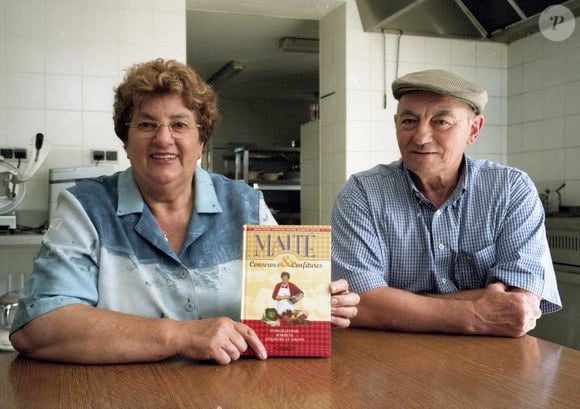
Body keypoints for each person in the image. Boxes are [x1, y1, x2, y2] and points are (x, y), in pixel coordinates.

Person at [9, 58, 359, 365]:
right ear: (126, 141)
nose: (163, 138)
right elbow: (38, 326)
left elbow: (271, 311)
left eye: (179, 124)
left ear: (201, 141)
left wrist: (311, 308)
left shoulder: (246, 205)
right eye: (146, 125)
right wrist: (181, 335)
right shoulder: (86, 208)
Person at [331, 69, 561, 338]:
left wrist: (393, 303)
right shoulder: (363, 192)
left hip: (494, 365)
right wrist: (475, 315)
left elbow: (518, 304)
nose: (420, 137)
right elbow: (360, 302)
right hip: (389, 360)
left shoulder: (510, 190)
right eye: (409, 121)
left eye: (441, 122)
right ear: (396, 124)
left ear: (473, 130)